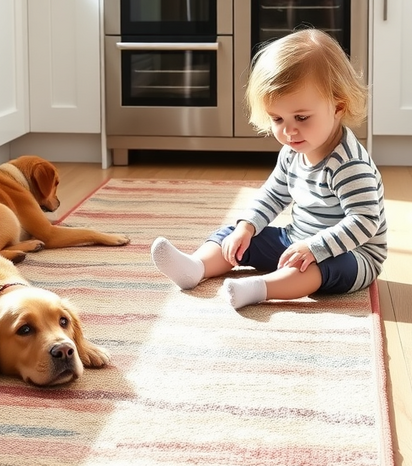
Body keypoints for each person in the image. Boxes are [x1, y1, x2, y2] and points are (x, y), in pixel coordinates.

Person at [150, 28, 387, 309]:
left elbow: (364, 221)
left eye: (301, 117)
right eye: (277, 118)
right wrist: (247, 227)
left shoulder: (349, 164)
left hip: (353, 255)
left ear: (338, 106)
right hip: (297, 237)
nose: (288, 131)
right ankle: (195, 267)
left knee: (313, 268)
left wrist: (315, 248)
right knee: (234, 236)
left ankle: (261, 288)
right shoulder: (292, 152)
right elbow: (273, 195)